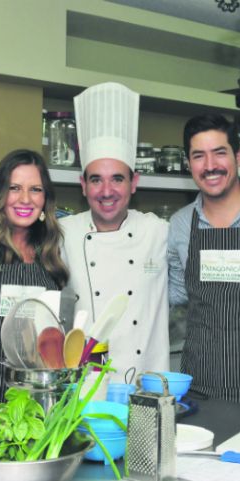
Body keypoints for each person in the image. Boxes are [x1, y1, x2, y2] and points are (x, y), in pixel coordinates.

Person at [168, 114, 240, 409]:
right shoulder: (180, 224)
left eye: (220, 152)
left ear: (238, 155)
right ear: (188, 163)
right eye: (199, 156)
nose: (210, 166)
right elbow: (176, 294)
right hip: (199, 387)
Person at [60, 82, 170, 381]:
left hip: (147, 386)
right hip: (84, 389)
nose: (106, 191)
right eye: (96, 180)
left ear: (134, 182)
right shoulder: (62, 233)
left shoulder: (159, 232)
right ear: (83, 186)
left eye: (117, 179)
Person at [0, 149, 69, 404]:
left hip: (37, 397)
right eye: (14, 188)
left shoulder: (51, 255)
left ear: (46, 198)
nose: (25, 199)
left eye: (36, 189)